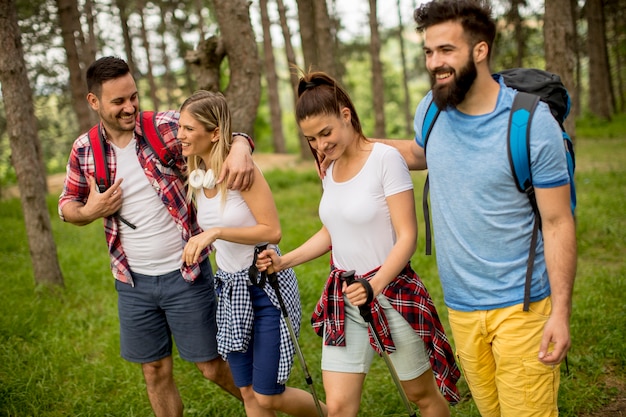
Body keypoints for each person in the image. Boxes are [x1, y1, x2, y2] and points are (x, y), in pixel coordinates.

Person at [374, 1, 577, 415]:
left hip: (522, 307)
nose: (435, 63)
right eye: (429, 52)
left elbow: (557, 223)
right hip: (462, 307)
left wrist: (561, 313)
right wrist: (355, 147)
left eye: (446, 50)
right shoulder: (430, 110)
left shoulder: (531, 124)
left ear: (480, 50)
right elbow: (419, 152)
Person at [58, 56, 256, 417]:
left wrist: (241, 145)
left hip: (186, 272)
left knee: (211, 367)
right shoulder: (84, 150)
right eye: (118, 101)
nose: (129, 107)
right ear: (94, 102)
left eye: (133, 97)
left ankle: (266, 406)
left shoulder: (163, 127)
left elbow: (222, 131)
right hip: (132, 281)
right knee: (154, 370)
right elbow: (67, 203)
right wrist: (89, 211)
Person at [256, 71, 460, 417]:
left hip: (390, 292)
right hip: (344, 298)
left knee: (421, 397)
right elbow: (332, 231)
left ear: (346, 115)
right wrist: (283, 261)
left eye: (326, 133)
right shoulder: (330, 169)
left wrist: (373, 285)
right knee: (337, 409)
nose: (321, 145)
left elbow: (408, 236)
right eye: (312, 139)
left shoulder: (385, 160)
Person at [178, 90, 328, 417]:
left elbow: (271, 230)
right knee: (247, 392)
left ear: (215, 132)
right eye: (180, 127)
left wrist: (215, 233)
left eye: (189, 128)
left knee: (268, 395)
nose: (180, 135)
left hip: (264, 286)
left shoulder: (243, 173)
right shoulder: (197, 175)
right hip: (231, 291)